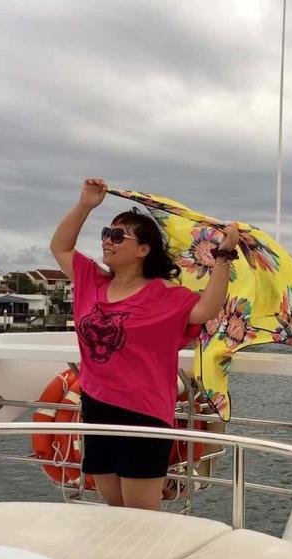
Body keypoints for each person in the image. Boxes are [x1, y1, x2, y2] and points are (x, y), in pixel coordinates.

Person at [50, 177, 239, 510]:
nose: (107, 241)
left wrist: (223, 257)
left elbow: (206, 309)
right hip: (96, 405)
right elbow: (60, 247)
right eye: (106, 233)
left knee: (141, 514)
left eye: (118, 236)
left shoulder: (164, 295)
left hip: (143, 412)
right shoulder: (91, 281)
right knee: (114, 505)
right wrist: (85, 205)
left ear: (143, 250)